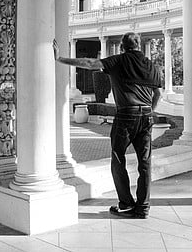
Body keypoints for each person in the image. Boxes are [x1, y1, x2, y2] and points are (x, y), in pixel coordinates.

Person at [53, 32, 162, 219]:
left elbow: (89, 64)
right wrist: (149, 111)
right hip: (146, 116)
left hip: (126, 115)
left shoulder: (119, 60)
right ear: (138, 46)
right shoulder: (151, 65)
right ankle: (143, 207)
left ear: (122, 47)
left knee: (118, 158)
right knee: (145, 163)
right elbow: (157, 94)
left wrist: (59, 58)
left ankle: (127, 204)